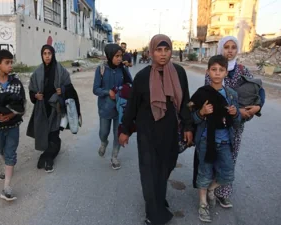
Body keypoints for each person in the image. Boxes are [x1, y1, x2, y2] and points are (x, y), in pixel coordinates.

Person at [119, 34, 194, 225]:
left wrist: (187, 126)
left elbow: (185, 101)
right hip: (147, 132)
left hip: (170, 131)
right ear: (151, 52)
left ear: (171, 51)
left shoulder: (179, 72)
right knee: (149, 171)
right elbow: (132, 105)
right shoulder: (142, 76)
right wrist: (125, 129)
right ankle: (153, 213)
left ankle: (159, 199)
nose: (162, 54)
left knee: (165, 167)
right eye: (158, 50)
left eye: (166, 49)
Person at [204, 36, 264, 208]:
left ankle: (223, 193)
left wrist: (258, 107)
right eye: (226, 47)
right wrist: (236, 110)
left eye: (233, 47)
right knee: (214, 156)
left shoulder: (242, 70)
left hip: (236, 125)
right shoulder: (214, 69)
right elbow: (209, 97)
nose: (230, 50)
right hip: (216, 124)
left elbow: (258, 89)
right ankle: (208, 187)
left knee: (230, 158)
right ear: (221, 49)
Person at [190, 55, 241, 222]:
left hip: (225, 141)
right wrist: (201, 113)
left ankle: (213, 189)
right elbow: (192, 118)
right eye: (214, 69)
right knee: (204, 172)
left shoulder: (232, 94)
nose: (217, 73)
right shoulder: (201, 94)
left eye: (221, 70)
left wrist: (235, 114)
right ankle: (203, 204)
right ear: (208, 71)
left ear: (226, 72)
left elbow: (237, 121)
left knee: (227, 174)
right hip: (206, 140)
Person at [0, 50, 26, 201]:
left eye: (11, 62)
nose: (10, 66)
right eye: (7, 63)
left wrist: (11, 115)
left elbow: (23, 106)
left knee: (10, 152)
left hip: (14, 125)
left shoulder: (16, 83)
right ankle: (6, 166)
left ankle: (7, 187)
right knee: (1, 149)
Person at [27, 45, 72, 173]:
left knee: (53, 134)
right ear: (42, 55)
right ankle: (50, 151)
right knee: (45, 134)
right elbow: (31, 90)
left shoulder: (61, 70)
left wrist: (62, 90)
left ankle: (48, 159)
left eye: (49, 53)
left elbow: (69, 87)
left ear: (53, 55)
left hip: (56, 108)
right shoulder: (37, 72)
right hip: (42, 108)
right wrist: (35, 96)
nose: (47, 56)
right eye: (45, 53)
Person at [93, 44, 132, 170]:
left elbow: (130, 84)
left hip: (120, 109)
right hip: (105, 108)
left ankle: (114, 156)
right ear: (110, 56)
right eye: (117, 56)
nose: (119, 59)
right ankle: (104, 142)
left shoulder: (123, 69)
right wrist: (107, 92)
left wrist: (123, 90)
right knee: (104, 132)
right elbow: (95, 89)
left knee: (117, 134)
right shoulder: (101, 69)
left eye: (121, 56)